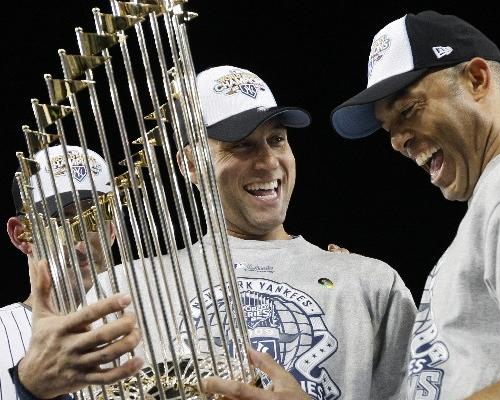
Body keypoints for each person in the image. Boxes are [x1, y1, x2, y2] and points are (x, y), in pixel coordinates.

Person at [99, 65, 416, 400]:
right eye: (241, 145)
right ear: (190, 164)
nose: (268, 161)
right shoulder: (123, 291)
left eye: (277, 139)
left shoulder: (370, 283)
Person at [330, 10, 500, 399]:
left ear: (477, 80)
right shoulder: (494, 207)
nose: (396, 141)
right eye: (389, 129)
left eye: (407, 110)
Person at [2, 145, 142, 400]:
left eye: (93, 217)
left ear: (111, 230)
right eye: (62, 220)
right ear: (21, 235)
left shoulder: (150, 324)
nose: (80, 242)